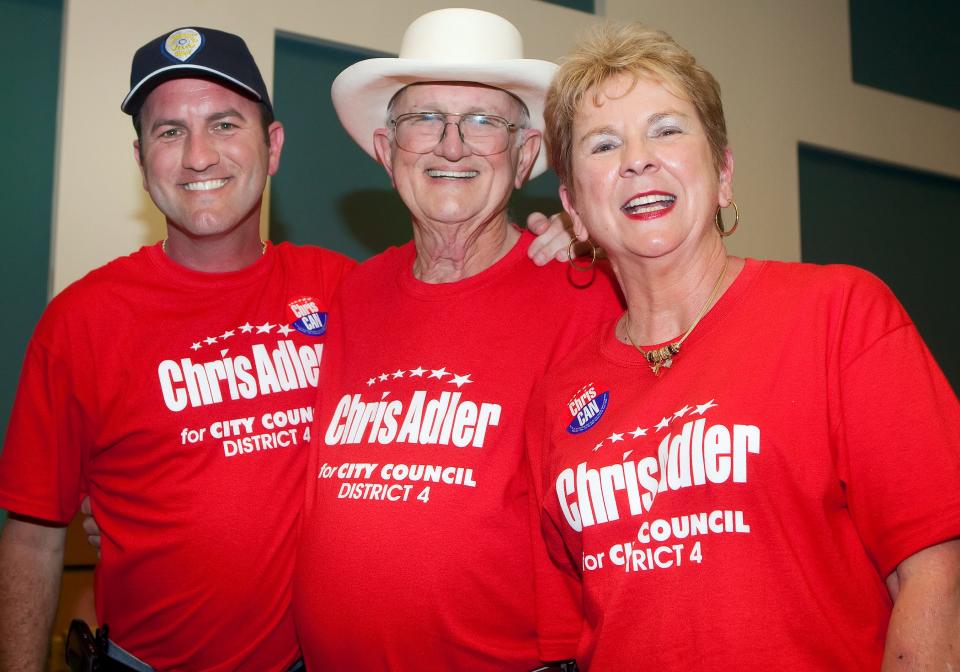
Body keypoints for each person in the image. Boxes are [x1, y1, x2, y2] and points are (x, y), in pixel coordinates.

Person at [0, 24, 574, 672]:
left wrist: (590, 243)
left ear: (271, 147)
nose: (198, 157)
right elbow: (32, 537)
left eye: (224, 125)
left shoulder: (343, 289)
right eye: (168, 132)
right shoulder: (84, 321)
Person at [525, 21, 960, 669]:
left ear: (724, 173)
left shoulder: (840, 314)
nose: (638, 158)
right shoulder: (559, 396)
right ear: (575, 210)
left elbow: (938, 576)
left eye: (667, 130)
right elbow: (569, 636)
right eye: (604, 144)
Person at [292, 8, 623, 670]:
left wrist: (605, 247)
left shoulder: (586, 295)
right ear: (387, 152)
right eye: (424, 120)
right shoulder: (352, 295)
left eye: (482, 122)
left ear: (525, 154)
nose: (451, 146)